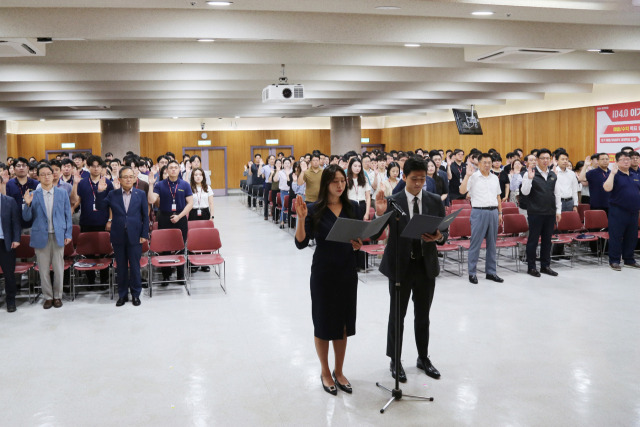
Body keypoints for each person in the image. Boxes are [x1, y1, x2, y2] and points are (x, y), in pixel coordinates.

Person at [374, 157, 448, 383]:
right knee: (397, 316)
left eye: (422, 179)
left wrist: (438, 237)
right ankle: (395, 361)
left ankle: (423, 357)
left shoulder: (434, 200)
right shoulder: (393, 200)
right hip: (400, 267)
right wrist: (379, 214)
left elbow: (443, 234)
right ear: (404, 177)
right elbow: (376, 234)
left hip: (425, 266)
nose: (418, 184)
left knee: (423, 316)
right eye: (414, 179)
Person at [294, 165, 363, 395]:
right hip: (324, 272)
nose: (340, 185)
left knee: (342, 324)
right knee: (323, 323)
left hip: (346, 270)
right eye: (334, 181)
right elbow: (301, 243)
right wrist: (301, 220)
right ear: (326, 184)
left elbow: (357, 237)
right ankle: (325, 371)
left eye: (342, 180)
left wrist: (357, 242)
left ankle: (339, 370)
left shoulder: (352, 207)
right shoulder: (314, 209)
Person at [96, 167, 149, 306]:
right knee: (121, 268)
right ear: (119, 179)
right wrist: (100, 192)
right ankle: (122, 295)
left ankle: (136, 294)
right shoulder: (113, 194)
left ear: (135, 178)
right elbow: (100, 206)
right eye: (125, 177)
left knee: (135, 267)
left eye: (131, 176)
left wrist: (144, 234)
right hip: (118, 236)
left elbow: (145, 216)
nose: (128, 179)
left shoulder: (141, 194)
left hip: (136, 236)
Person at [22, 164, 73, 309]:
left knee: (58, 268)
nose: (46, 176)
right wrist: (27, 204)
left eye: (48, 174)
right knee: (43, 269)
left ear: (53, 175)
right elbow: (26, 218)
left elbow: (67, 215)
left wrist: (68, 233)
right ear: (38, 177)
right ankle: (48, 297)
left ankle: (57, 296)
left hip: (58, 235)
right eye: (42, 174)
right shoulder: (33, 194)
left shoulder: (62, 193)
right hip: (40, 236)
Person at [459, 153, 504, 284]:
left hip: (493, 212)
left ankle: (491, 272)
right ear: (478, 163)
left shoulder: (494, 178)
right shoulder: (473, 177)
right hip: (479, 212)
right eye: (484, 162)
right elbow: (462, 191)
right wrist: (467, 175)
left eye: (489, 162)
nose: (487, 165)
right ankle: (472, 273)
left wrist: (500, 213)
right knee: (475, 244)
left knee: (492, 244)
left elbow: (498, 197)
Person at [148, 160, 193, 283]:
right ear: (166, 170)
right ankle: (166, 274)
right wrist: (151, 184)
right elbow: (151, 200)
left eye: (175, 168)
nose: (173, 170)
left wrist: (179, 216)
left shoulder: (184, 185)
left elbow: (190, 203)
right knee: (165, 247)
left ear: (179, 170)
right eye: (171, 168)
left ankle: (180, 275)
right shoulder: (160, 184)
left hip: (181, 217)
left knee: (180, 246)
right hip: (164, 217)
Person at [520, 149, 562, 277]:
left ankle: (545, 266)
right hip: (535, 213)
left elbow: (557, 194)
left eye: (547, 158)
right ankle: (531, 267)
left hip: (550, 213)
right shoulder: (529, 173)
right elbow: (525, 192)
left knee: (547, 241)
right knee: (533, 240)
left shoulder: (553, 174)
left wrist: (558, 210)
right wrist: (529, 179)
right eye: (543, 158)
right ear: (537, 159)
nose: (545, 160)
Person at [77, 155, 113, 286]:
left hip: (103, 222)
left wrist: (110, 220)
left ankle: (104, 279)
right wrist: (75, 184)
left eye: (99, 166)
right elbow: (77, 200)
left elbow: (111, 205)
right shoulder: (82, 183)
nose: (96, 168)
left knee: (104, 252)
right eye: (93, 166)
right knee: (89, 252)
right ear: (88, 167)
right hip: (86, 222)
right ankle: (91, 279)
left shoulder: (107, 183)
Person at [603, 152, 640, 270]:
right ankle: (614, 260)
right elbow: (607, 188)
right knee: (616, 236)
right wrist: (612, 174)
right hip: (618, 211)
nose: (626, 161)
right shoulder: (614, 174)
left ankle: (629, 259)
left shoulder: (635, 174)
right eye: (623, 159)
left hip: (633, 211)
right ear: (617, 162)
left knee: (632, 236)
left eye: (628, 159)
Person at [0, 176, 22, 312]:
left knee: (9, 274)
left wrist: (16, 239)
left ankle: (10, 301)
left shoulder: (9, 201)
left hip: (5, 242)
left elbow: (16, 222)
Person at [5, 157, 39, 230]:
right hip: (15, 223)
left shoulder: (36, 184)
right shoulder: (9, 184)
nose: (21, 168)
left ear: (28, 168)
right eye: (18, 166)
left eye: (24, 165)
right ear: (14, 169)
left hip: (34, 223)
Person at [273, 158, 291, 228]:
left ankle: (291, 222)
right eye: (285, 163)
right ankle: (282, 221)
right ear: (283, 164)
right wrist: (277, 171)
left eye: (288, 163)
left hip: (292, 191)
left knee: (292, 207)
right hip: (284, 191)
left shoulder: (292, 171)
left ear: (290, 164)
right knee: (284, 206)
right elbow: (275, 179)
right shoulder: (280, 172)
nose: (287, 164)